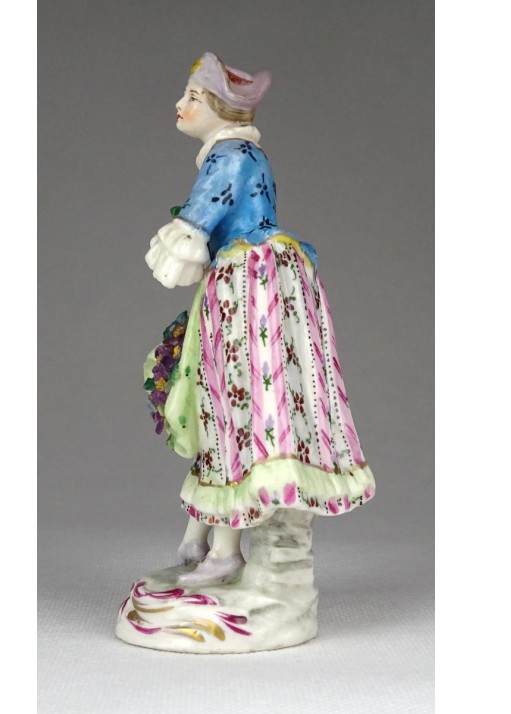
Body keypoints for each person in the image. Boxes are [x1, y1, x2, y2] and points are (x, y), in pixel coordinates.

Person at [144, 52, 376, 587]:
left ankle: (224, 548)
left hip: (248, 282)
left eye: (193, 97)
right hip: (261, 275)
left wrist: (181, 242)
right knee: (234, 401)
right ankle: (206, 535)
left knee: (235, 402)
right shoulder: (239, 153)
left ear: (220, 108)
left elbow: (198, 221)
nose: (180, 105)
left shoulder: (229, 156)